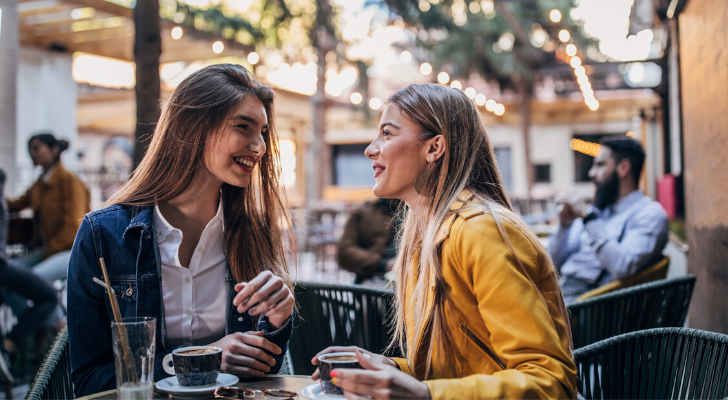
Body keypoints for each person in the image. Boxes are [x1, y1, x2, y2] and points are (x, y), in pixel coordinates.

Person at [312, 84, 576, 399]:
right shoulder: (422, 237)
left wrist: (425, 394)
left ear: (434, 148)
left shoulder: (481, 233)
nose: (370, 149)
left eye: (387, 133)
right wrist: (393, 371)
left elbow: (551, 382)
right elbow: (454, 371)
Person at [67, 64, 295, 397]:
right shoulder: (103, 236)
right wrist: (202, 359)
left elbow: (262, 375)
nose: (259, 146)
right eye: (243, 127)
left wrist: (278, 320)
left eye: (262, 131)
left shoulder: (255, 232)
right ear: (193, 127)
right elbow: (89, 381)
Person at [549, 138, 669, 303]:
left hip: (591, 307)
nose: (591, 173)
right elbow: (553, 263)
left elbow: (623, 266)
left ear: (623, 168)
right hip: (560, 291)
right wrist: (565, 225)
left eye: (600, 165)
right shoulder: (599, 211)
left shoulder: (649, 215)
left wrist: (589, 218)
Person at [0, 169, 58, 384]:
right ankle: (10, 345)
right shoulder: (39, 184)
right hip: (4, 265)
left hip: (58, 249)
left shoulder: (63, 181)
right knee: (49, 295)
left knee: (15, 288)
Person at [6, 132, 90, 281]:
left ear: (54, 150)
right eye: (30, 149)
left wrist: (48, 251)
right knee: (7, 275)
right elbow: (15, 205)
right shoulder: (40, 183)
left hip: (69, 252)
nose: (32, 153)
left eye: (36, 148)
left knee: (28, 281)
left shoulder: (69, 182)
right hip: (46, 250)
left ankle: (50, 304)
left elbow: (73, 228)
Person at [337, 198, 400, 285]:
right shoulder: (363, 212)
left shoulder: (418, 211)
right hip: (374, 279)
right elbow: (344, 251)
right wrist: (383, 264)